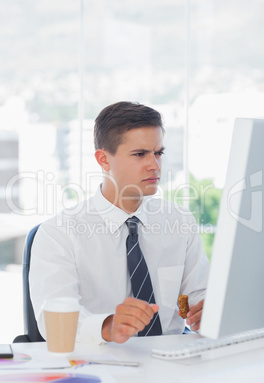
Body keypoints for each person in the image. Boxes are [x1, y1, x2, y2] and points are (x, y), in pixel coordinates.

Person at [30, 101, 209, 344]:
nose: (154, 165)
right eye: (140, 154)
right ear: (103, 160)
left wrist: (202, 309)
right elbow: (54, 320)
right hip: (100, 363)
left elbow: (189, 298)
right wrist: (107, 326)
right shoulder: (58, 234)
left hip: (172, 360)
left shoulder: (180, 221)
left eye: (158, 153)